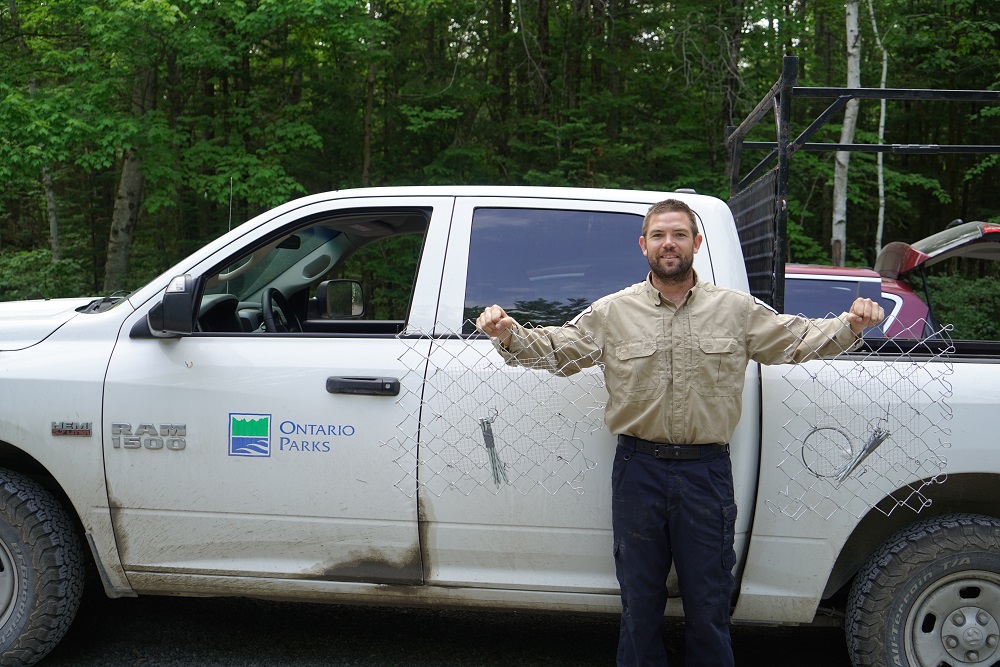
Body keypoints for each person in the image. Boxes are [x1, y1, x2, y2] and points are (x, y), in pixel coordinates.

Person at [475, 198, 884, 667]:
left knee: (709, 605)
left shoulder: (735, 310)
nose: (669, 243)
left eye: (679, 234)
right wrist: (508, 335)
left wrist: (851, 325)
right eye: (659, 235)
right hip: (637, 471)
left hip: (705, 475)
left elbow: (795, 340)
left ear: (696, 243)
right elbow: (560, 351)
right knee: (639, 605)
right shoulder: (613, 312)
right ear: (643, 244)